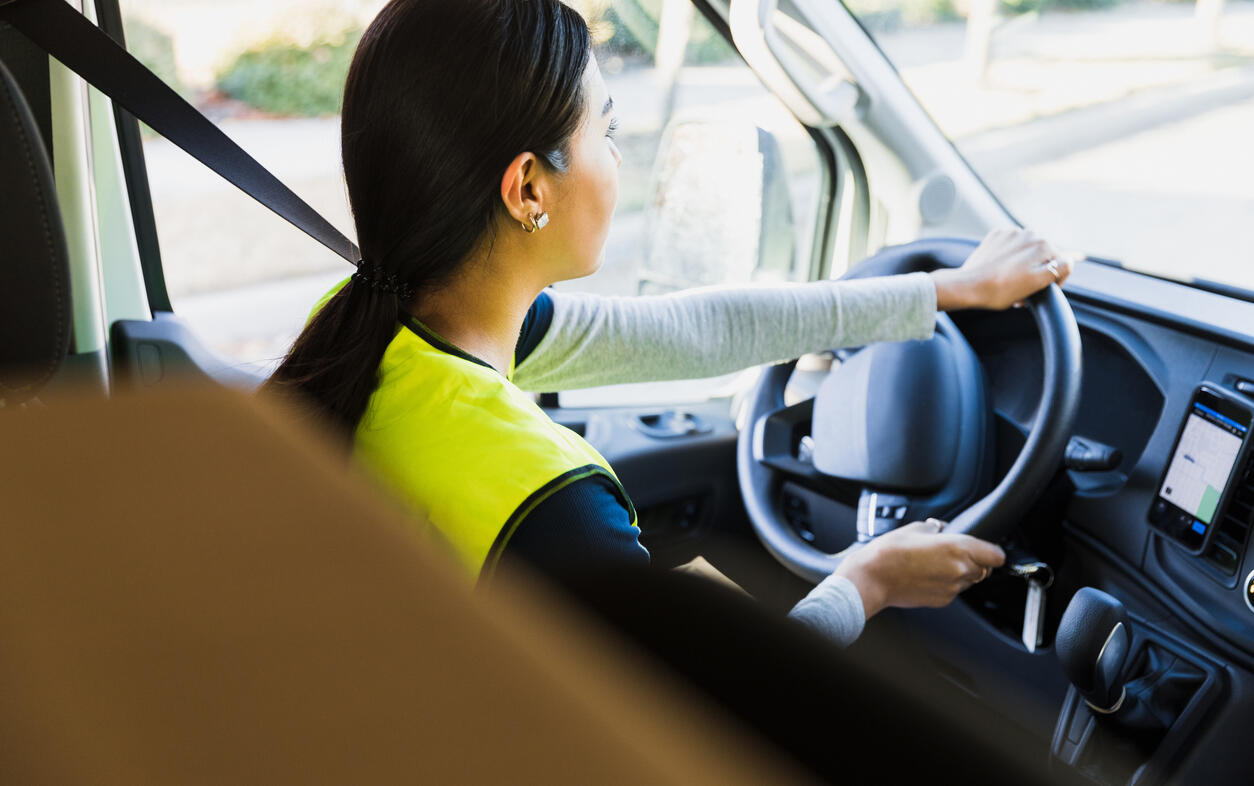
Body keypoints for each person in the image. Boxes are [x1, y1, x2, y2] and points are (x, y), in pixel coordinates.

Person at [264, 0, 1073, 647]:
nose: (618, 160)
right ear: (527, 191)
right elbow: (719, 724)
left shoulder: (366, 330)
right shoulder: (548, 505)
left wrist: (943, 292)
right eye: (605, 134)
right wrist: (869, 582)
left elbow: (695, 332)